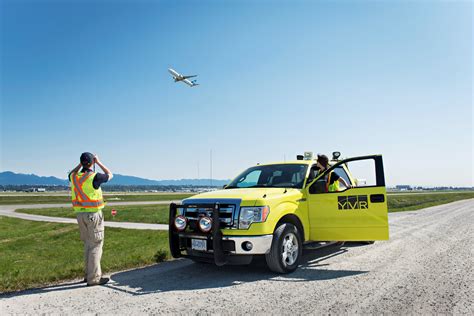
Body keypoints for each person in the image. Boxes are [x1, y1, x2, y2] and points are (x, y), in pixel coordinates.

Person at [69, 152, 113, 286]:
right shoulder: (94, 176)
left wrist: (81, 164)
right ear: (92, 163)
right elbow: (110, 175)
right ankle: (94, 278)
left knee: (88, 244)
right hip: (93, 215)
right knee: (96, 245)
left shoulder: (74, 177)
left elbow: (71, 172)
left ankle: (88, 275)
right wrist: (98, 162)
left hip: (80, 215)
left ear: (81, 163)